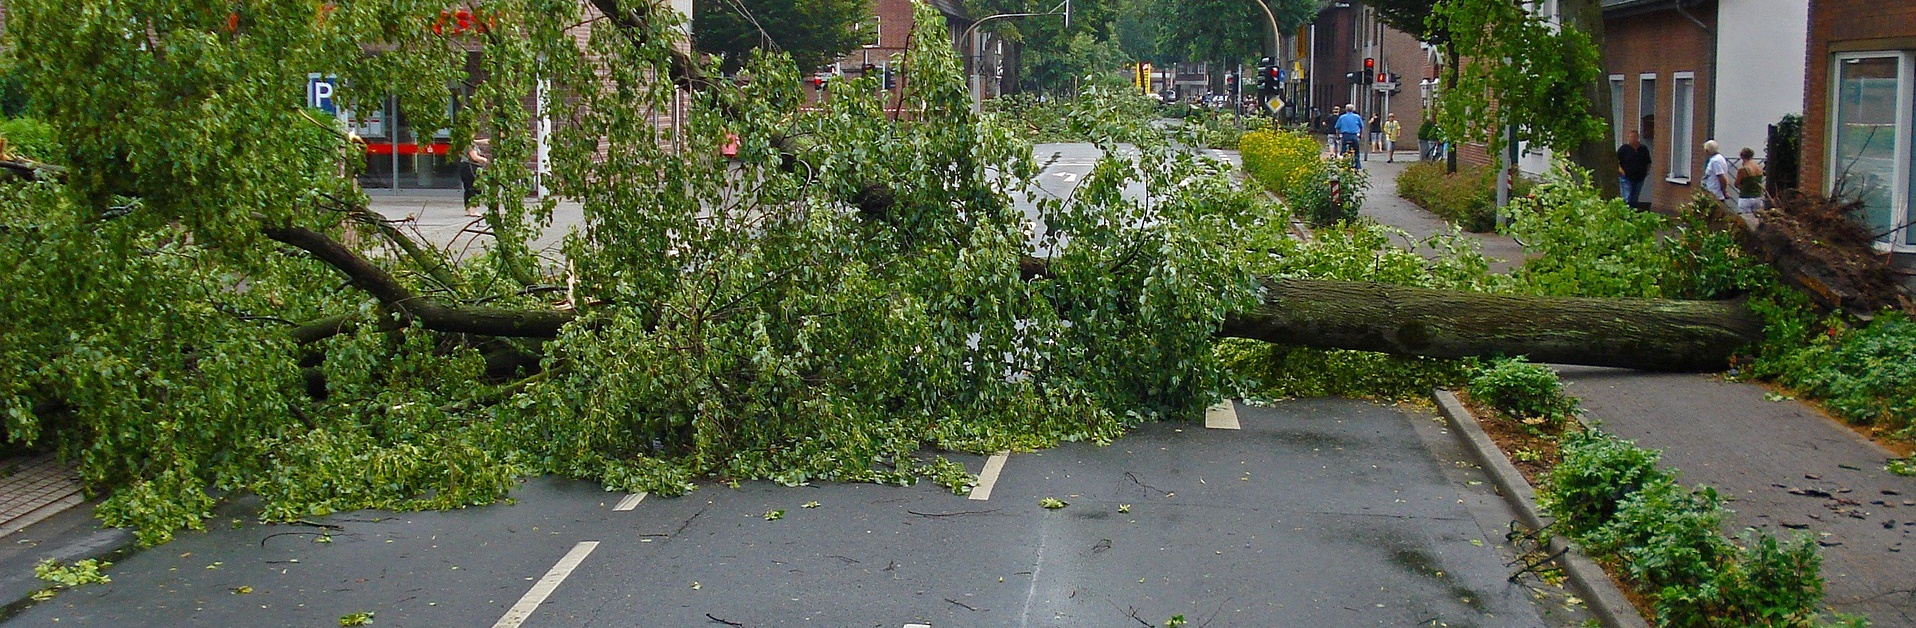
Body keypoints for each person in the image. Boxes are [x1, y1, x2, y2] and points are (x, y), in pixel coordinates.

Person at [1615, 130, 1651, 207]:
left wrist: (1646, 172)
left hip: (1639, 178)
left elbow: (1648, 162)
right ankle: (1625, 213)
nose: (1633, 139)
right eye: (1631, 137)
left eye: (1634, 137)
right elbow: (1615, 160)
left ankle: (1632, 213)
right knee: (1627, 196)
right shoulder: (1624, 149)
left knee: (1634, 198)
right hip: (1626, 177)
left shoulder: (1643, 149)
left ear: (1637, 137)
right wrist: (1620, 170)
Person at [459, 138, 491, 217]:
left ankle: (468, 209)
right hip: (471, 167)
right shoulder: (471, 145)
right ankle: (473, 209)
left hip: (465, 167)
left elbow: (481, 141)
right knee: (475, 187)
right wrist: (485, 160)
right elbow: (474, 157)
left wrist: (488, 141)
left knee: (468, 188)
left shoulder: (467, 142)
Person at [1701, 139, 1733, 209]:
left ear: (1707, 150)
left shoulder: (1715, 161)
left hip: (1715, 194)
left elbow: (1721, 177)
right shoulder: (1719, 158)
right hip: (1714, 193)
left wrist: (1724, 191)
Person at [1734, 147, 1765, 215]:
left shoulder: (1743, 169)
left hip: (1746, 198)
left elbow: (1736, 184)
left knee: (1745, 220)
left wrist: (1742, 187)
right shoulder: (1759, 167)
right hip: (1758, 197)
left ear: (1741, 156)